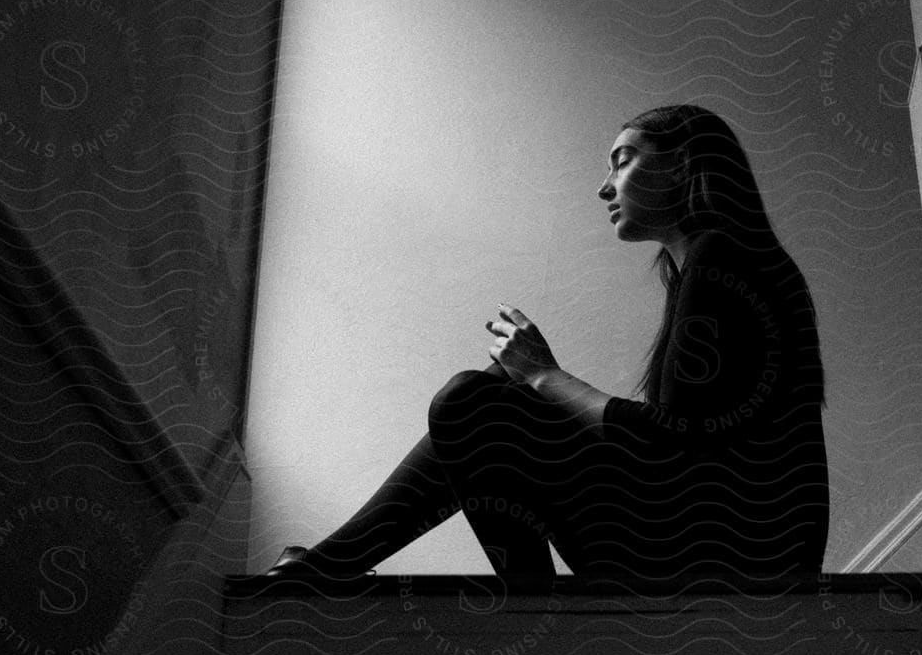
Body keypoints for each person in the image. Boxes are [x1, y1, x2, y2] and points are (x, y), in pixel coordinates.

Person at [263, 104, 828, 589]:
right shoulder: (713, 268)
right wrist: (530, 381)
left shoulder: (720, 259)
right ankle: (343, 567)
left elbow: (668, 446)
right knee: (486, 395)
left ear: (682, 163)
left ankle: (515, 603)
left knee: (471, 403)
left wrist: (543, 376)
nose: (604, 187)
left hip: (731, 559)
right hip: (727, 547)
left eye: (623, 160)